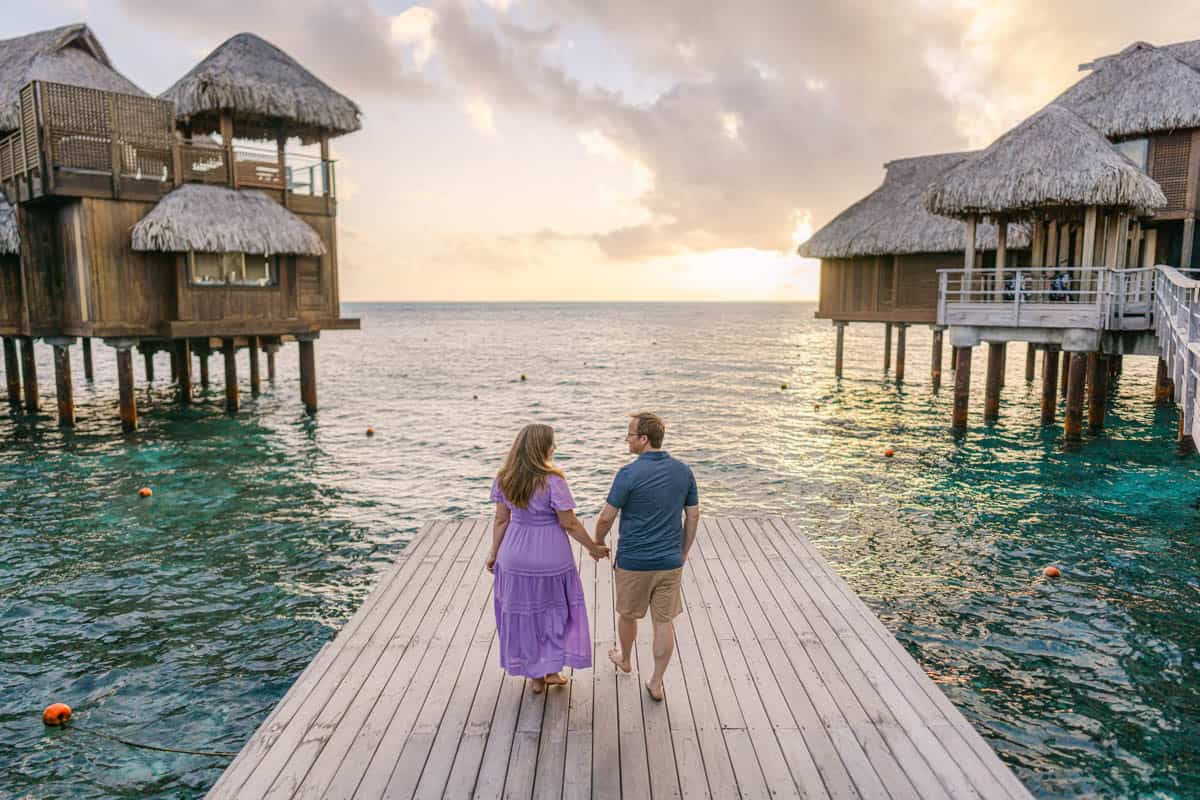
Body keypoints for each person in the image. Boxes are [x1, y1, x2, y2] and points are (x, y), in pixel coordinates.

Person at [487, 424, 609, 693]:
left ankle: (535, 676)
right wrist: (592, 547)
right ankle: (551, 669)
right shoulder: (554, 481)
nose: (555, 447)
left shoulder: (505, 478)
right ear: (542, 447)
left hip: (514, 555)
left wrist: (494, 554)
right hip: (551, 556)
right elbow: (569, 523)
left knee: (525, 615)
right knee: (556, 612)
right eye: (552, 443)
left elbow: (500, 520)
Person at [594, 412, 700, 701]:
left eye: (629, 434)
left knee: (628, 614)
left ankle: (625, 659)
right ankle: (656, 682)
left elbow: (606, 517)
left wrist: (598, 542)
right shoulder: (683, 471)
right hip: (669, 562)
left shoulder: (628, 474)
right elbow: (693, 516)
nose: (626, 439)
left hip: (634, 562)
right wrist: (683, 550)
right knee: (664, 622)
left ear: (643, 439)